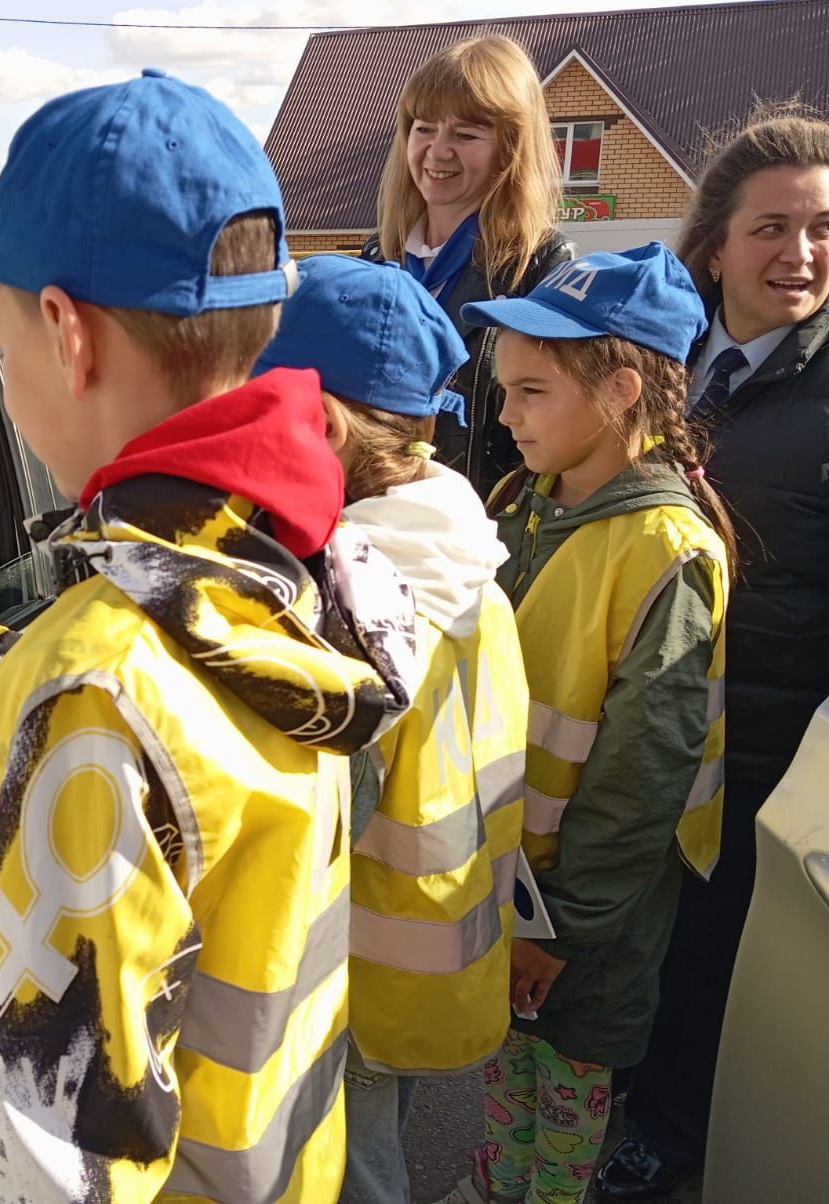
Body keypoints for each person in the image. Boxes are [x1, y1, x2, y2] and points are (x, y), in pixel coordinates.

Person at [0, 70, 419, 1202]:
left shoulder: (101, 690)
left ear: (66, 334)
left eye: (2, 341)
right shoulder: (285, 568)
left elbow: (51, 1159)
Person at [453, 243, 733, 1204]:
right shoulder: (529, 504)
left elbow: (639, 781)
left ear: (619, 391)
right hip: (517, 889)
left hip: (586, 921)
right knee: (506, 1083)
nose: (502, 415)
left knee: (564, 1108)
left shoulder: (665, 550)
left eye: (531, 391)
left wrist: (559, 931)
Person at [253, 255, 529, 1204]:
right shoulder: (462, 551)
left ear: (320, 422)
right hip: (432, 954)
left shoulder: (357, 596)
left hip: (355, 974)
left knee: (352, 1178)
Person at [594, 112, 829, 1203]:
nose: (800, 253)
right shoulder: (665, 360)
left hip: (768, 750)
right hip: (646, 724)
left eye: (822, 227)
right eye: (770, 227)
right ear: (716, 245)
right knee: (638, 944)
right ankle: (618, 1116)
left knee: (712, 969)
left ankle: (665, 1146)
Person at [362, 34, 573, 496]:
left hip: (478, 536)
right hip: (372, 522)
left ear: (510, 149)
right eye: (424, 128)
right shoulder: (378, 259)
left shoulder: (541, 270)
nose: (438, 151)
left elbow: (550, 440)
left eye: (465, 134)